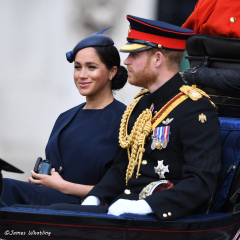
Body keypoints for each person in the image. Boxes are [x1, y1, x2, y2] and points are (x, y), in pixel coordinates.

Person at [49, 15, 221, 221]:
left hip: (162, 219)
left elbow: (200, 181)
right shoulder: (141, 104)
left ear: (157, 59)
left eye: (134, 55)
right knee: (44, 215)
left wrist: (147, 205)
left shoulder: (194, 108)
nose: (126, 62)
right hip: (124, 209)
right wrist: (96, 197)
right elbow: (122, 166)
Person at [1, 27, 127, 207]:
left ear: (112, 72)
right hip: (51, 205)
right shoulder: (65, 117)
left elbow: (124, 188)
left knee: (7, 187)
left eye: (91, 67)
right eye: (77, 67)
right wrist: (38, 181)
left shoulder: (125, 119)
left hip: (87, 212)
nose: (82, 75)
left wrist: (63, 186)